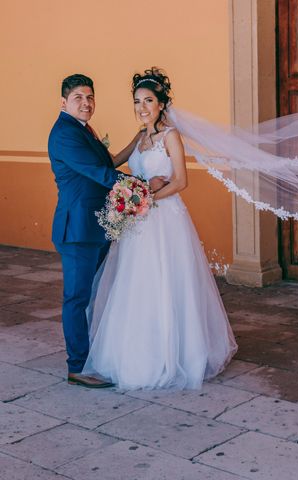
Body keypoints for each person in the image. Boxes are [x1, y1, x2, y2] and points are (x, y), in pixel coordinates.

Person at [82, 68, 237, 390]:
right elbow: (112, 163)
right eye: (137, 101)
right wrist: (89, 134)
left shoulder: (170, 137)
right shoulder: (140, 137)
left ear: (162, 103)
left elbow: (181, 181)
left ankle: (176, 353)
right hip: (139, 223)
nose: (142, 107)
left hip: (165, 220)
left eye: (148, 101)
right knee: (135, 283)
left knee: (167, 282)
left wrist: (145, 197)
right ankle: (136, 352)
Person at [48, 74, 164, 388]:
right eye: (78, 98)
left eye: (90, 97)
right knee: (76, 298)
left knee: (96, 294)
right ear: (64, 102)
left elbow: (108, 161)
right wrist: (141, 188)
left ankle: (94, 354)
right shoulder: (64, 134)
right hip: (78, 230)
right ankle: (77, 367)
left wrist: (137, 145)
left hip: (96, 226)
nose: (86, 103)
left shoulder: (83, 129)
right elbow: (98, 172)